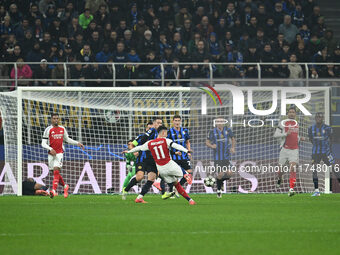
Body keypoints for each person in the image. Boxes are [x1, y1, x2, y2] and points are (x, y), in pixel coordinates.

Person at [123, 126, 196, 205]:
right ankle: (184, 176)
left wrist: (129, 151)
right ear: (164, 132)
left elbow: (139, 147)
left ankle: (190, 200)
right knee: (185, 174)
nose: (167, 134)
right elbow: (176, 146)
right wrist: (186, 150)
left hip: (161, 169)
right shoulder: (166, 140)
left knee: (175, 183)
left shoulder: (150, 143)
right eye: (166, 132)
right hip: (169, 164)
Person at [41, 113, 85, 198]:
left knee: (56, 170)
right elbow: (43, 143)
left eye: (57, 118)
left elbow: (67, 139)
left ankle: (53, 191)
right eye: (54, 118)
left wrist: (77, 143)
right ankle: (65, 187)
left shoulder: (62, 128)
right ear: (51, 119)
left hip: (60, 153)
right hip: (51, 154)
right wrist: (50, 149)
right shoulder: (48, 130)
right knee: (54, 173)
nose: (56, 120)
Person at [122, 117, 163, 203]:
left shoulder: (160, 134)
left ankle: (140, 197)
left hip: (152, 159)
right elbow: (133, 144)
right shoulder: (151, 132)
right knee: (139, 177)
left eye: (161, 123)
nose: (159, 125)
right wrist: (135, 151)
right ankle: (126, 190)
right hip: (142, 159)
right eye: (158, 123)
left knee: (151, 179)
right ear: (154, 124)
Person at [274, 107, 306, 196]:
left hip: (294, 149)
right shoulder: (283, 123)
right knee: (280, 171)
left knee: (292, 168)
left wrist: (300, 138)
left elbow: (296, 136)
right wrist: (285, 134)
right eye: (290, 112)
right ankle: (280, 178)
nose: (291, 114)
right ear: (287, 114)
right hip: (284, 149)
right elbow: (275, 135)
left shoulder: (297, 124)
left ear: (295, 114)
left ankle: (291, 189)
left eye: (293, 112)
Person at [206, 117, 236, 198]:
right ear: (216, 123)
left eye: (221, 121)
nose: (220, 123)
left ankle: (220, 181)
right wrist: (212, 146)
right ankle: (219, 191)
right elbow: (207, 142)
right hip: (217, 158)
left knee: (230, 173)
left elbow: (233, 139)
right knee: (220, 173)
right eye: (218, 121)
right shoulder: (212, 131)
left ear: (223, 122)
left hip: (226, 157)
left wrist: (233, 148)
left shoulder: (228, 130)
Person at [308, 113, 335, 196]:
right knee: (314, 169)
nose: (319, 118)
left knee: (334, 168)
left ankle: (331, 188)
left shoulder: (327, 128)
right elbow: (311, 139)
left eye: (320, 117)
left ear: (322, 118)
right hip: (315, 153)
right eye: (317, 117)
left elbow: (331, 139)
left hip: (326, 152)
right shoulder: (311, 128)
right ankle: (317, 191)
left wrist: (328, 149)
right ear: (315, 118)